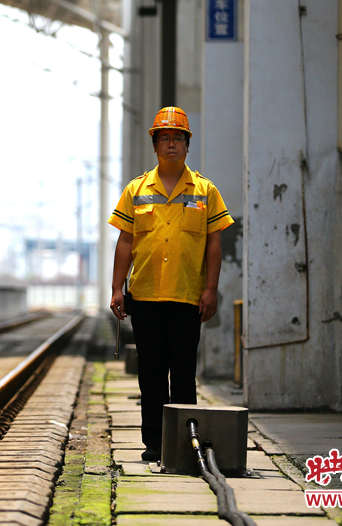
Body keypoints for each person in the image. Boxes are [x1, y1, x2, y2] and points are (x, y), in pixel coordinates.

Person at [108, 106, 234, 463]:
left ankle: (182, 443)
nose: (172, 144)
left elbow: (214, 243)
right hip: (145, 296)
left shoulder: (206, 191)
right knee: (150, 374)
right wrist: (117, 288)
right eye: (164, 138)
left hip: (186, 296)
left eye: (178, 138)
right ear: (155, 145)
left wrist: (210, 289)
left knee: (182, 373)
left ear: (188, 145)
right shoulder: (136, 190)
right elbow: (126, 241)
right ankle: (154, 443)